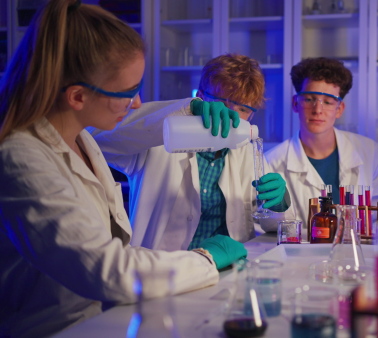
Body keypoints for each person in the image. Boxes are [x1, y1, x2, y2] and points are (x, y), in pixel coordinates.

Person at [0, 1, 246, 336]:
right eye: (126, 93)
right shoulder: (20, 158)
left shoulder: (82, 142)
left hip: (104, 320)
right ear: (77, 97)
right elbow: (109, 271)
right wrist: (204, 259)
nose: (137, 103)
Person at [91, 53, 290, 250]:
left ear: (252, 115)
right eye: (222, 103)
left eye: (242, 109)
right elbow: (96, 139)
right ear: (200, 97)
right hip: (161, 270)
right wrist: (186, 110)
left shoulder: (249, 154)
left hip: (229, 268)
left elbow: (274, 227)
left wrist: (278, 205)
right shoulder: (157, 140)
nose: (230, 117)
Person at [266, 57, 378, 232]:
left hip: (361, 255)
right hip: (302, 259)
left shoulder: (370, 153)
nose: (318, 109)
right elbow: (268, 228)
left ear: (340, 109)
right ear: (295, 103)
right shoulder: (272, 162)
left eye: (327, 102)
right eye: (309, 99)